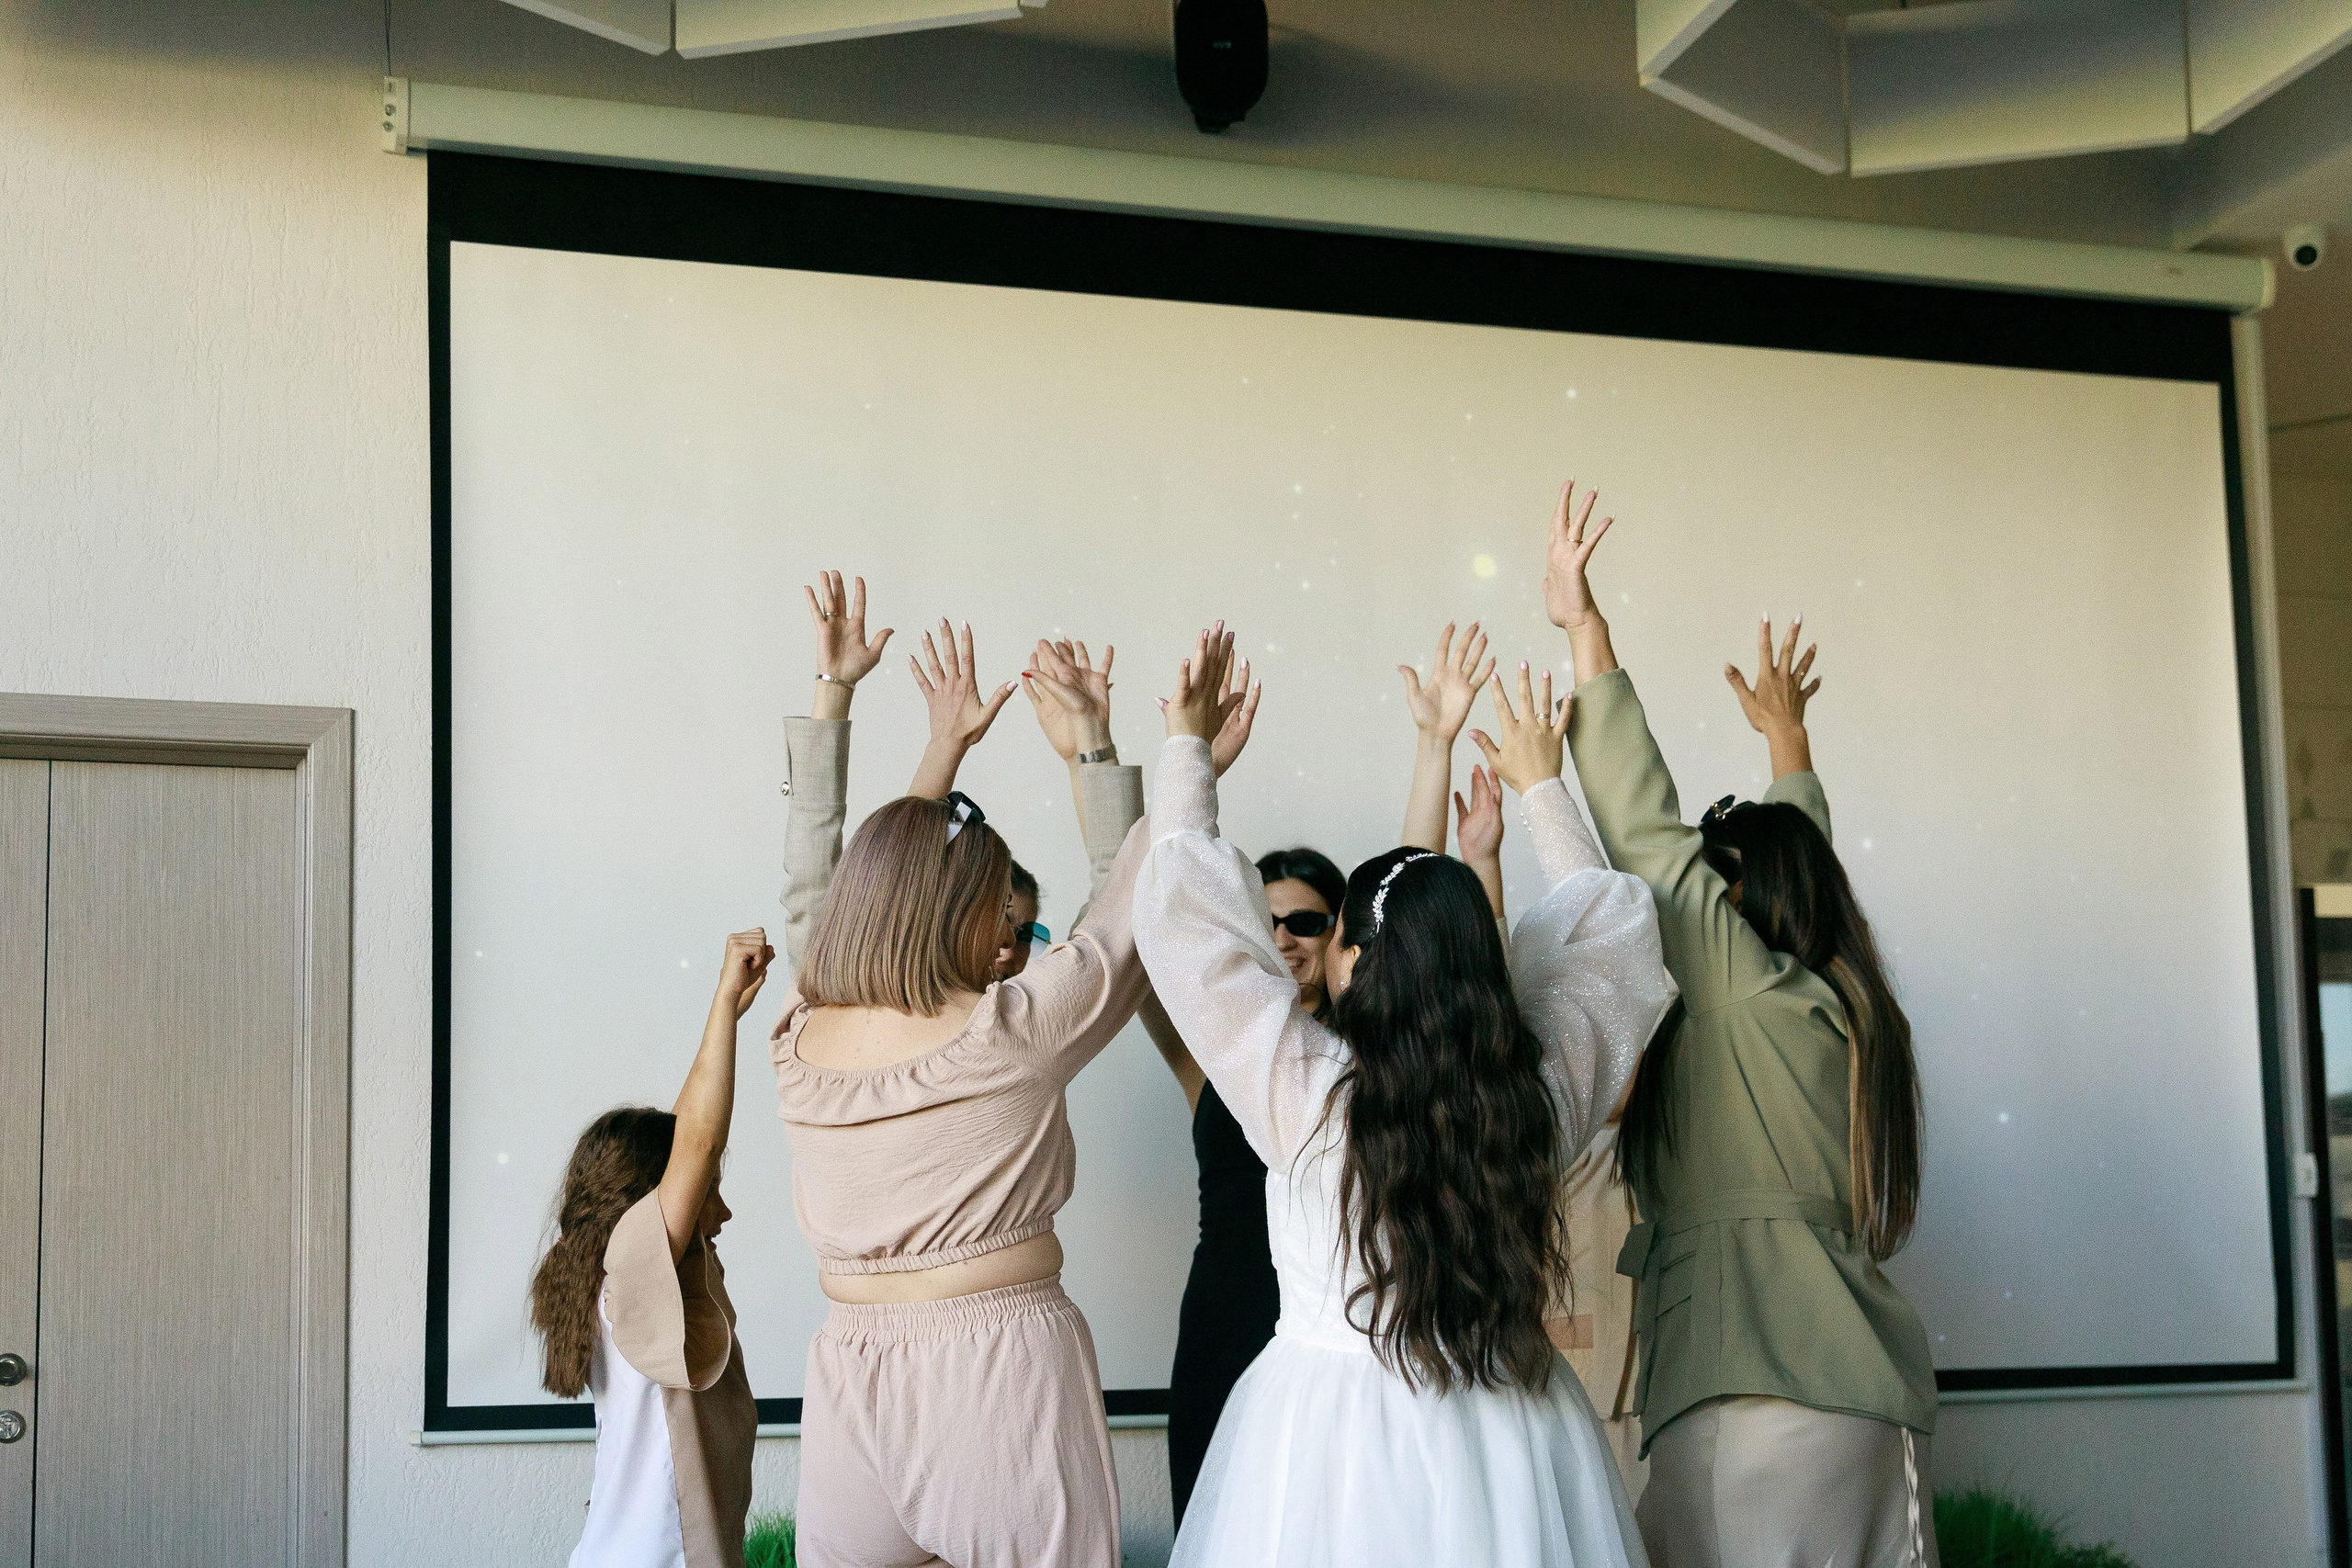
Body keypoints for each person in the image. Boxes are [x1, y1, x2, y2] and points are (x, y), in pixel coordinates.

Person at [1136, 626, 1679, 1567]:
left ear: (1353, 962)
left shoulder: (1304, 1095)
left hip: (1324, 1441)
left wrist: (1188, 756)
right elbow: (1616, 942)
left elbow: (1189, 931)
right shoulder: (1533, 1101)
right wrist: (1541, 785)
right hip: (1512, 1426)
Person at [1539, 480, 1938, 1567]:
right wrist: (1788, 754)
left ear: (1731, 906)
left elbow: (1641, 825)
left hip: (1737, 1395)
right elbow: (1799, 861)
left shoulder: (1731, 987)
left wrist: (1587, 630)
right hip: (1847, 1389)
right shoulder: (1837, 1003)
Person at [768, 578, 1195, 1568]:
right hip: (992, 1366)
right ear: (963, 913)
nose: (1014, 938)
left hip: (853, 1364)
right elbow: (1134, 903)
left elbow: (834, 889)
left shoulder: (801, 1034)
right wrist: (1160, 758)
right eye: (1006, 914)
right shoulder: (1012, 1031)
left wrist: (917, 738)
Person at [531, 930, 775, 1568]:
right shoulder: (633, 1271)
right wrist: (722, 1003)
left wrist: (727, 1016)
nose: (719, 1211)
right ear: (642, 1202)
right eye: (707, 1194)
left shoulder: (616, 1275)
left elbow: (682, 1136)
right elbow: (694, 1142)